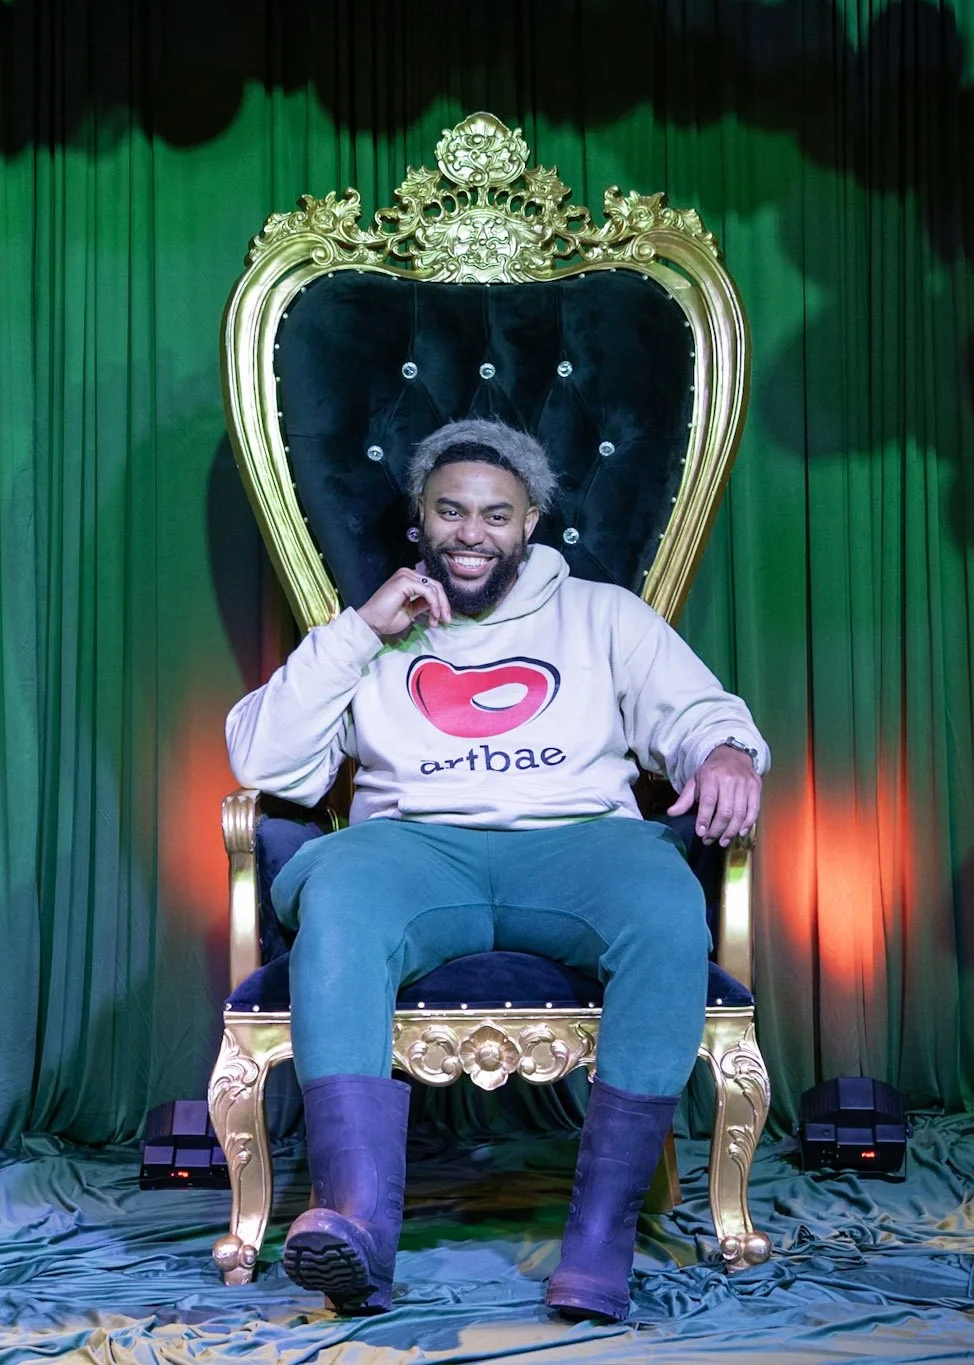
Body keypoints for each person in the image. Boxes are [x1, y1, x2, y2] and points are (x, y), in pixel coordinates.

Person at [225, 418, 768, 1322]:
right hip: (414, 850)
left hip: (578, 845)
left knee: (665, 906)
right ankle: (356, 1224)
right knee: (342, 893)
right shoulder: (376, 630)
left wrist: (724, 752)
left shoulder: (603, 615)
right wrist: (358, 632)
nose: (470, 533)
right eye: (450, 511)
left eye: (494, 514)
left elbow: (700, 713)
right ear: (421, 519)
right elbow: (263, 758)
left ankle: (600, 1243)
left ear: (529, 524)